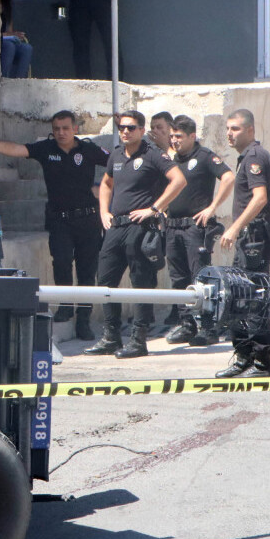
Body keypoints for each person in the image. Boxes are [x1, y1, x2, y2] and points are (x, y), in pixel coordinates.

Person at [0, 111, 107, 339]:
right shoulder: (47, 149)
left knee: (87, 272)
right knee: (62, 262)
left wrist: (104, 189)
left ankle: (84, 320)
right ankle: (65, 307)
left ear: (75, 129)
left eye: (65, 128)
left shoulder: (89, 150)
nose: (61, 133)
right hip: (59, 219)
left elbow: (116, 163)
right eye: (56, 129)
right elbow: (18, 150)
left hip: (87, 219)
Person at [84, 110, 186, 359]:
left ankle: (139, 340)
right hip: (115, 227)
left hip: (141, 227)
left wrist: (155, 209)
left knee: (141, 283)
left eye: (131, 127)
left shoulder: (153, 154)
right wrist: (103, 212)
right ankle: (111, 337)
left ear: (141, 130)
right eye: (121, 127)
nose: (125, 131)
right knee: (105, 280)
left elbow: (178, 180)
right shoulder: (117, 154)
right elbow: (106, 183)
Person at [216, 109, 270, 378]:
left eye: (235, 129)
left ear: (250, 130)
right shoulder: (252, 157)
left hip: (253, 238)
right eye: (228, 129)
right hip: (256, 236)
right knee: (241, 295)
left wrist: (235, 227)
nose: (229, 134)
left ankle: (261, 362)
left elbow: (261, 198)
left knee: (253, 298)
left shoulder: (254, 157)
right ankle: (245, 357)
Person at [163, 115, 234, 345]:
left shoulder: (204, 156)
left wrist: (212, 207)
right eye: (172, 136)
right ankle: (187, 325)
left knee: (201, 278)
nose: (174, 140)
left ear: (192, 136)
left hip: (195, 228)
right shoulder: (171, 160)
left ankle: (208, 328)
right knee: (178, 278)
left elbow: (228, 177)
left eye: (179, 136)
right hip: (173, 227)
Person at [0, 0, 33, 79]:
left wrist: (15, 35)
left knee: (27, 48)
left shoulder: (7, 7)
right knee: (9, 46)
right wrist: (8, 35)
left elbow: (9, 31)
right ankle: (3, 80)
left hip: (4, 41)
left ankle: (19, 82)